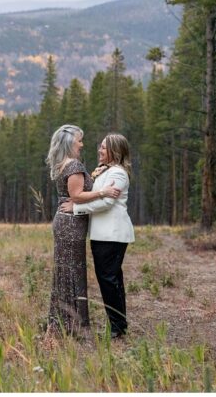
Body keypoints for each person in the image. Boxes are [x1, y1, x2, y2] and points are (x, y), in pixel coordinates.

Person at [45, 124, 121, 337]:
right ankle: (72, 323)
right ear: (70, 142)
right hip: (71, 223)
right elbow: (77, 195)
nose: (82, 144)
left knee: (66, 269)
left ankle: (63, 320)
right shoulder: (74, 165)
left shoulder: (64, 164)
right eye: (79, 140)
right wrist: (103, 192)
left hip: (67, 221)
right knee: (72, 270)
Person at [60, 132, 135, 339]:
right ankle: (119, 324)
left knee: (108, 280)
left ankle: (117, 328)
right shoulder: (106, 172)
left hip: (112, 234)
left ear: (115, 151)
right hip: (104, 234)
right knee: (111, 279)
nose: (99, 150)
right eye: (100, 146)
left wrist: (76, 207)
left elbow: (106, 203)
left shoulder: (118, 174)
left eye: (104, 147)